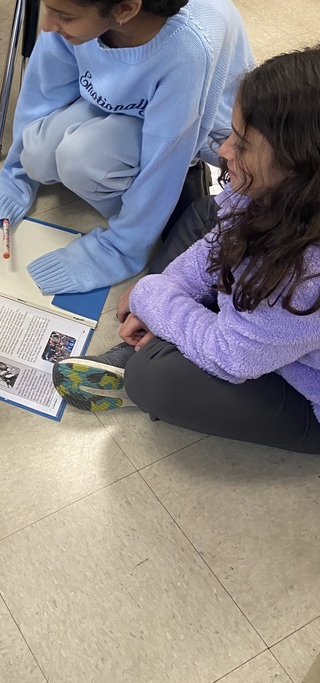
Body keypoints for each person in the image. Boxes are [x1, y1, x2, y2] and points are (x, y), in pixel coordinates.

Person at [0, 0, 254, 295]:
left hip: (195, 124)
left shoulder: (187, 49)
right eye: (45, 6)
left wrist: (119, 248)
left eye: (64, 16)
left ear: (124, 10)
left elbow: (165, 155)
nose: (47, 25)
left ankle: (157, 207)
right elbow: (43, 90)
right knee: (37, 153)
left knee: (80, 160)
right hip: (123, 97)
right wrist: (15, 175)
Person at [53, 47, 320, 453]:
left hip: (302, 391)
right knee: (206, 212)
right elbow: (221, 234)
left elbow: (231, 356)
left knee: (152, 380)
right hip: (269, 321)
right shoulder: (285, 194)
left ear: (298, 168)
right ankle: (163, 334)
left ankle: (148, 349)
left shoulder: (303, 276)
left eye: (243, 145)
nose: (224, 151)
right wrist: (169, 285)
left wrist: (151, 295)